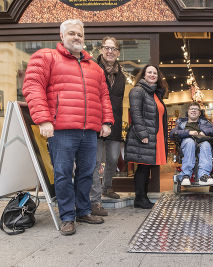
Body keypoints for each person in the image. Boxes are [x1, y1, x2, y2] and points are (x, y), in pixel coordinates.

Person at [22, 19, 114, 236]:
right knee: (63, 174)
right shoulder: (46, 57)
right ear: (61, 36)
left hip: (89, 130)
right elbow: (32, 86)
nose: (76, 37)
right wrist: (43, 119)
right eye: (71, 33)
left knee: (86, 173)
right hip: (61, 129)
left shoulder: (95, 68)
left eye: (80, 34)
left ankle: (83, 210)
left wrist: (106, 121)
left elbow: (104, 97)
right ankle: (67, 217)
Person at [89, 36, 126, 217]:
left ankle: (107, 187)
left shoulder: (122, 76)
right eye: (107, 48)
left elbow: (118, 104)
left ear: (118, 52)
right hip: (96, 122)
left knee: (112, 158)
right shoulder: (92, 69)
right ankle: (95, 200)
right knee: (95, 162)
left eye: (113, 48)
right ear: (101, 50)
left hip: (115, 124)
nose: (110, 51)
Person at [124, 64, 168, 209]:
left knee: (146, 168)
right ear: (143, 75)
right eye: (149, 72)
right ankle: (140, 198)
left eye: (155, 73)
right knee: (143, 168)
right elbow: (136, 114)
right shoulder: (138, 91)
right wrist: (143, 134)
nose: (152, 75)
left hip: (154, 136)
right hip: (144, 136)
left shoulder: (154, 93)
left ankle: (143, 197)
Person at [170, 102, 213, 186]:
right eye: (191, 109)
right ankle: (185, 175)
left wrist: (204, 132)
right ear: (188, 111)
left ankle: (204, 176)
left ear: (199, 113)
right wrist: (188, 132)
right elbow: (172, 134)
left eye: (196, 109)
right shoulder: (181, 123)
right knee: (189, 142)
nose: (193, 111)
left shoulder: (205, 123)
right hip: (187, 145)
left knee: (206, 144)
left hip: (202, 145)